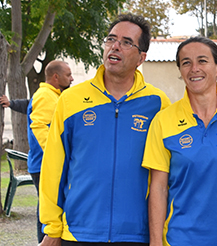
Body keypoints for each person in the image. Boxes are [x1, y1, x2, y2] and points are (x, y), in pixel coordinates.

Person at [39, 13, 171, 246]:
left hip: (136, 235)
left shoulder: (158, 104)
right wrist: (52, 228)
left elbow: (167, 175)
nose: (115, 46)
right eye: (111, 39)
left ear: (141, 57)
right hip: (79, 233)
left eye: (126, 42)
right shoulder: (71, 100)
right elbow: (54, 167)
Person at [142, 37, 217, 246]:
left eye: (202, 61)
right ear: (180, 71)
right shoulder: (163, 120)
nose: (194, 68)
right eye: (186, 62)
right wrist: (155, 242)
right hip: (178, 239)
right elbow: (158, 188)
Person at [27, 60, 74, 243]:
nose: (71, 78)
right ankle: (44, 241)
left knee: (47, 206)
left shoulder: (53, 95)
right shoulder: (45, 96)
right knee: (48, 208)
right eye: (68, 75)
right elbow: (39, 125)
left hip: (44, 162)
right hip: (44, 163)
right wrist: (54, 156)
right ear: (56, 77)